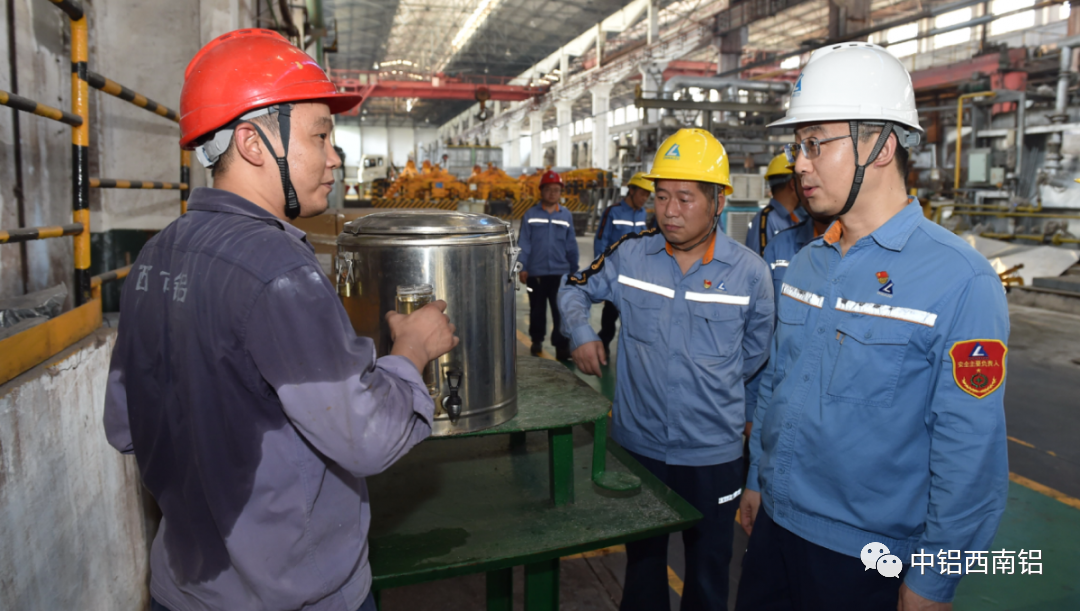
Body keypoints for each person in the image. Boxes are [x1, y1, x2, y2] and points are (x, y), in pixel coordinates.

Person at [103, 30, 458, 611]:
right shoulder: (279, 272)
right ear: (251, 143)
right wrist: (411, 352)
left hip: (183, 586)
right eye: (321, 136)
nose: (335, 157)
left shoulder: (156, 255)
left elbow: (124, 425)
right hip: (293, 597)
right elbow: (366, 437)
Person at [737, 42, 1009, 611]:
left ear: (881, 146)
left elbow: (970, 455)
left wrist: (934, 580)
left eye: (816, 144)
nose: (798, 164)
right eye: (796, 145)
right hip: (775, 529)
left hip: (867, 559)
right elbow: (778, 384)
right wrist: (759, 480)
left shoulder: (961, 281)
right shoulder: (809, 261)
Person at [559, 129, 774, 611]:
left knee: (709, 571)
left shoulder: (750, 275)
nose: (669, 210)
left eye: (684, 197)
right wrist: (582, 333)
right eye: (660, 197)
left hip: (713, 456)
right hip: (640, 448)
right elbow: (574, 288)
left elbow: (756, 362)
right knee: (643, 568)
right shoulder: (632, 255)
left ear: (718, 201)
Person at [518, 169, 579, 360]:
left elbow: (571, 244)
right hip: (536, 273)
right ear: (541, 191)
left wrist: (574, 269)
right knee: (537, 309)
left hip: (560, 272)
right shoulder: (530, 215)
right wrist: (522, 266)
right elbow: (524, 243)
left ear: (560, 192)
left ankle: (562, 347)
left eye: (556, 189)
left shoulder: (566, 215)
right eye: (548, 189)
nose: (552, 193)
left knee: (560, 310)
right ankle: (537, 339)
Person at [593, 172, 654, 357]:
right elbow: (601, 241)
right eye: (642, 194)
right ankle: (602, 345)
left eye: (647, 195)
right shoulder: (613, 211)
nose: (645, 198)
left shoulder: (643, 213)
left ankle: (629, 353)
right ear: (632, 191)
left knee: (633, 316)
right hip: (615, 273)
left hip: (635, 275)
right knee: (610, 314)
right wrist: (601, 270)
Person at [744, 153, 806, 256]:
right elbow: (760, 266)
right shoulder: (765, 221)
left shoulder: (797, 217)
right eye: (801, 180)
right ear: (792, 184)